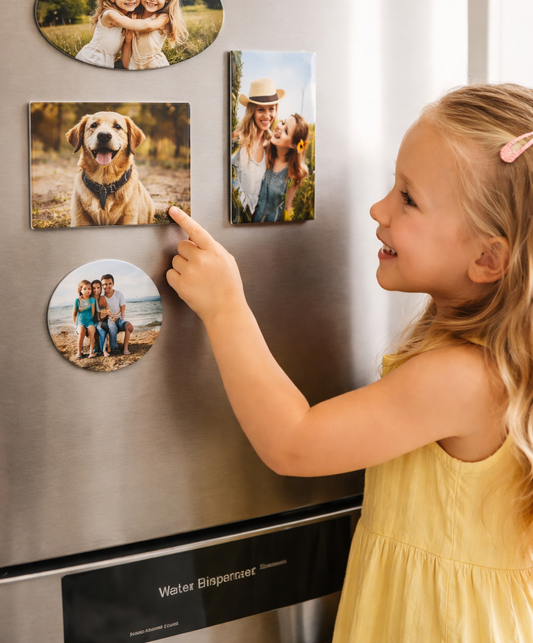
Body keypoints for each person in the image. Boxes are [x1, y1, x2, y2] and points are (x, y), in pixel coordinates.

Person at [166, 84, 533, 640]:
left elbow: (292, 442)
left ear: (487, 257)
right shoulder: (488, 356)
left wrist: (225, 307)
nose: (378, 208)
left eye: (408, 198)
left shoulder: (463, 377)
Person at [231, 78, 284, 220]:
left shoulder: (273, 145)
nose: (267, 116)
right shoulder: (237, 142)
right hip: (238, 218)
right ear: (252, 111)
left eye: (271, 109)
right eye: (261, 109)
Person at [75, 0, 141, 69]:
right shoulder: (110, 14)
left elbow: (126, 63)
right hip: (90, 60)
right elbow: (137, 24)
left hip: (106, 65)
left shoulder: (128, 19)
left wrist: (128, 40)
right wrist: (159, 22)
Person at [126, 0, 189, 70]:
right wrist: (126, 66)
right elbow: (127, 43)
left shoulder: (163, 18)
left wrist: (119, 20)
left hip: (154, 65)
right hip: (134, 65)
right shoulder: (134, 15)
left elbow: (148, 26)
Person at [253, 114, 309, 222]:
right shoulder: (262, 153)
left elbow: (288, 207)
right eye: (283, 123)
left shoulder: (293, 174)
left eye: (286, 131)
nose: (279, 127)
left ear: (294, 145)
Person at [99, 274, 133, 355]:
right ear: (102, 285)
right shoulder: (101, 297)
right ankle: (114, 348)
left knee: (129, 326)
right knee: (112, 326)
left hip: (118, 319)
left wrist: (122, 321)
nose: (107, 286)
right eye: (104, 284)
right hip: (107, 321)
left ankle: (125, 349)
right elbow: (101, 313)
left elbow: (123, 308)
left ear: (113, 284)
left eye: (109, 283)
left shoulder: (118, 294)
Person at [72, 279, 97, 359]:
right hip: (81, 321)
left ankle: (91, 352)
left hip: (90, 321)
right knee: (81, 331)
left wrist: (91, 322)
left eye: (89, 289)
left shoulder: (92, 300)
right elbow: (74, 313)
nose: (87, 291)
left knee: (91, 331)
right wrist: (76, 324)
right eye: (85, 289)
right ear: (80, 290)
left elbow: (93, 313)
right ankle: (79, 353)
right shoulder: (77, 300)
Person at [91, 279, 110, 358]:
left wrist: (107, 311)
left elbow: (106, 310)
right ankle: (97, 348)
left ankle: (104, 350)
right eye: (94, 288)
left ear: (101, 288)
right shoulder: (90, 299)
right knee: (94, 328)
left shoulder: (102, 298)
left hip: (102, 321)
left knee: (99, 327)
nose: (96, 290)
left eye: (98, 287)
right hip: (92, 322)